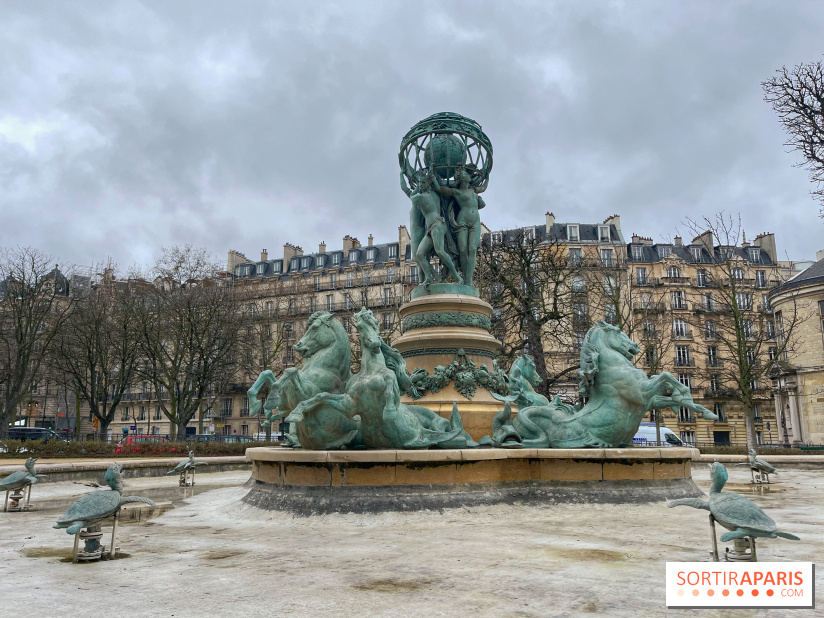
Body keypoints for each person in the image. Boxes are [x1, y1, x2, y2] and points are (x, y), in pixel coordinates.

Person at [400, 170, 463, 286]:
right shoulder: (435, 194)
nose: (420, 185)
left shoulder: (420, 197)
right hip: (432, 228)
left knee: (440, 251)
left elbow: (409, 193)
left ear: (428, 184)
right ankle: (429, 278)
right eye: (419, 183)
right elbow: (438, 188)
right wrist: (432, 178)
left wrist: (402, 174)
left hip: (437, 226)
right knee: (419, 255)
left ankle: (458, 277)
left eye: (423, 182)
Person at [431, 166, 484, 287]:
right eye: (465, 174)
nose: (467, 175)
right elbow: (439, 188)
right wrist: (433, 178)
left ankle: (469, 279)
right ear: (461, 178)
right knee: (463, 250)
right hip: (462, 221)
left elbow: (484, 187)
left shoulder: (473, 190)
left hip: (475, 221)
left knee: (472, 249)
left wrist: (487, 172)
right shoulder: (457, 192)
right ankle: (465, 278)